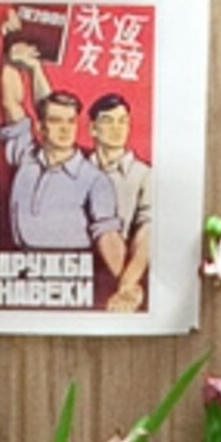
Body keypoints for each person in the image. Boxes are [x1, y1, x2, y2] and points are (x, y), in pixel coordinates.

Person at [0, 41, 126, 272]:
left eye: (71, 121)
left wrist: (126, 286)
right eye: (57, 121)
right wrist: (10, 58)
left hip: (72, 274)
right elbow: (10, 103)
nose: (65, 129)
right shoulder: (26, 157)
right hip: (21, 272)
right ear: (40, 128)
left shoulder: (94, 179)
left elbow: (108, 235)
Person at [85, 92, 152, 312]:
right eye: (109, 121)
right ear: (93, 128)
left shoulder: (144, 175)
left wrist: (127, 284)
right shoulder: (76, 169)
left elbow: (146, 234)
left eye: (123, 121)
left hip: (125, 271)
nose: (117, 128)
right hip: (76, 271)